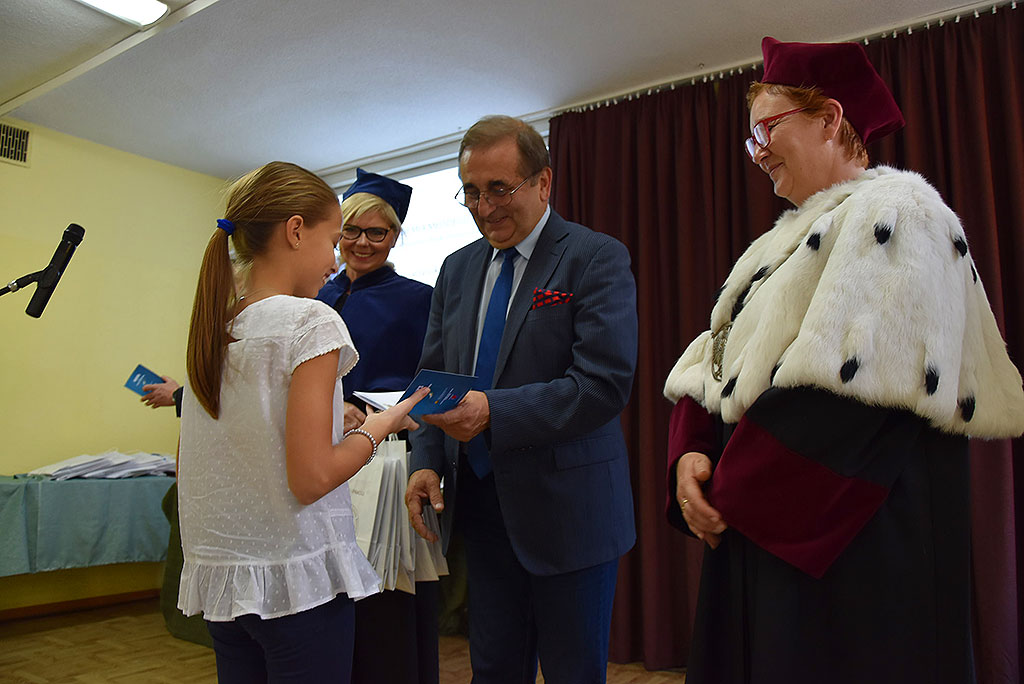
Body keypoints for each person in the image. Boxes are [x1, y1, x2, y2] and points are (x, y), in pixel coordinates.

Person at [664, 37, 1024, 684]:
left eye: (767, 130)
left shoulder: (902, 213)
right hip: (767, 516)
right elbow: (713, 354)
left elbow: (847, 399)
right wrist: (692, 449)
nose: (758, 152)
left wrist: (726, 481)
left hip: (851, 542)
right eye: (751, 139)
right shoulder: (775, 245)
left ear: (830, 119)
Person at [404, 115, 638, 684]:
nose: (485, 208)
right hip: (482, 510)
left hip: (570, 515)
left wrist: (492, 410)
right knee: (494, 671)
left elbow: (602, 385)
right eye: (471, 193)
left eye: (499, 189)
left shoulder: (595, 257)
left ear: (543, 182)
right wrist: (425, 462)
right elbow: (431, 382)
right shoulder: (456, 269)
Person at [176, 160, 429, 683]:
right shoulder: (311, 320)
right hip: (296, 582)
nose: (335, 261)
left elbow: (201, 462)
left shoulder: (217, 325)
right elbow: (311, 478)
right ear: (295, 231)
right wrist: (380, 427)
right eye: (335, 240)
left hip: (227, 582)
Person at [315, 168, 440, 684]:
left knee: (387, 600)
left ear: (395, 236)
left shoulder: (420, 298)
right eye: (352, 231)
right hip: (320, 460)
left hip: (389, 461)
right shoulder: (316, 297)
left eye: (377, 232)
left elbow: (433, 382)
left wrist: (375, 414)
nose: (362, 243)